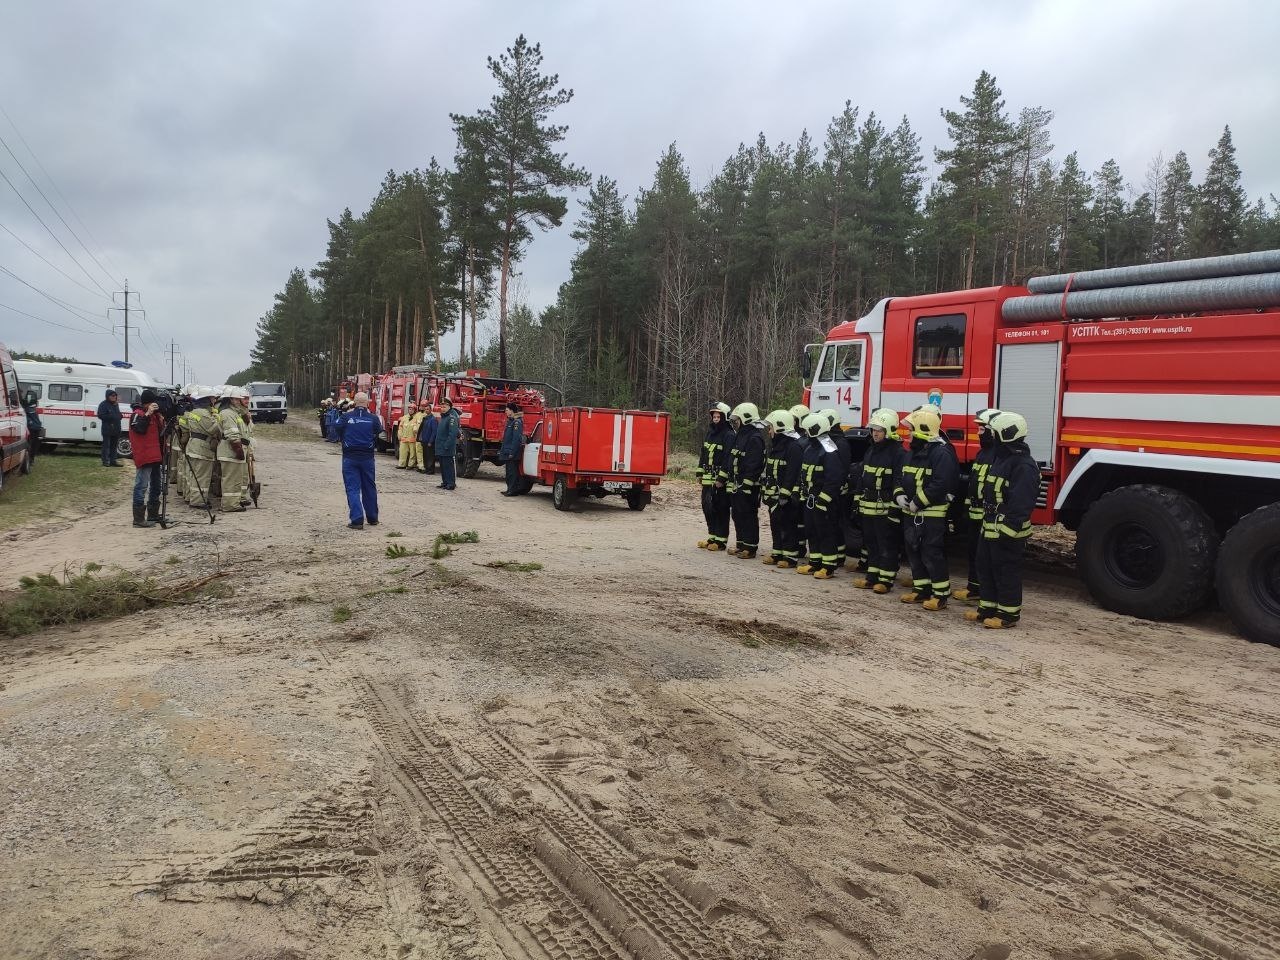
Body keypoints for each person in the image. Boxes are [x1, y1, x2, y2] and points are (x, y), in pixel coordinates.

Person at [968, 411, 1038, 629]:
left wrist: (1008, 530)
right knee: (985, 566)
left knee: (1005, 570)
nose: (991, 437)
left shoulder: (1023, 466)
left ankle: (1007, 614)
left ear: (1006, 435)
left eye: (994, 433)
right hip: (990, 526)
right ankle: (987, 608)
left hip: (1008, 531)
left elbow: (1021, 503)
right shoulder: (1001, 459)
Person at [895, 406, 959, 610]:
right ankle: (921, 590)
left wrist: (918, 501)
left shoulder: (941, 453)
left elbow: (941, 483)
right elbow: (899, 476)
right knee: (913, 551)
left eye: (912, 429)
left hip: (931, 515)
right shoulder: (911, 453)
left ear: (923, 430)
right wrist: (899, 495)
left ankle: (940, 596)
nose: (909, 433)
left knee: (932, 553)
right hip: (910, 513)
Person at [852, 408, 907, 593]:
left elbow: (899, 482)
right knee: (871, 543)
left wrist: (894, 510)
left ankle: (886, 580)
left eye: (879, 429)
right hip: (868, 508)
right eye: (873, 429)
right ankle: (872, 577)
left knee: (887, 545)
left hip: (885, 510)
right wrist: (857, 501)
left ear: (889, 430)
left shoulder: (898, 453)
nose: (875, 433)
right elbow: (862, 477)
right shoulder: (871, 451)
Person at [953, 409, 1000, 604]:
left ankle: (988, 593)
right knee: (973, 552)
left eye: (982, 429)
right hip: (974, 514)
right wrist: (965, 510)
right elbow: (974, 484)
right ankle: (974, 588)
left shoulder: (999, 456)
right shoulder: (982, 454)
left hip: (989, 518)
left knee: (987, 557)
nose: (978, 433)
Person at [795, 412, 844, 578]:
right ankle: (814, 563)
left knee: (826, 532)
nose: (805, 433)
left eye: (808, 430)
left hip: (824, 501)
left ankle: (828, 566)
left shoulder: (829, 450)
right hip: (810, 499)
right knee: (811, 531)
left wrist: (823, 501)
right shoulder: (811, 447)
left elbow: (834, 480)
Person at [761, 410, 803, 567]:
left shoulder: (794, 447)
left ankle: (790, 557)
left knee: (787, 525)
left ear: (779, 427)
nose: (769, 431)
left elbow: (793, 473)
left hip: (787, 497)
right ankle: (777, 553)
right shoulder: (775, 446)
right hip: (774, 495)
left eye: (771, 428)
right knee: (775, 523)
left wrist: (785, 494)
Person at [336, 391, 382, 528]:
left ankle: (357, 520)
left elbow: (337, 427)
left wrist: (346, 437)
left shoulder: (346, 417)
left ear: (354, 403)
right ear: (368, 403)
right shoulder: (373, 418)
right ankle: (373, 518)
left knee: (353, 488)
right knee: (369, 487)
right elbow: (378, 431)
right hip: (367, 458)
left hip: (350, 457)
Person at [725, 403, 765, 558]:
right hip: (737, 483)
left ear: (746, 419)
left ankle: (750, 547)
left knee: (748, 515)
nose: (735, 423)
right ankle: (741, 544)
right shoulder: (740, 435)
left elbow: (754, 464)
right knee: (737, 514)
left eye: (737, 420)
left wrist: (746, 484)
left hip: (748, 486)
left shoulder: (754, 438)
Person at [695, 402, 734, 551]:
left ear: (724, 418)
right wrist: (699, 472)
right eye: (714, 416)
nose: (716, 418)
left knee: (721, 509)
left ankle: (721, 541)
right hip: (707, 478)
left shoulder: (729, 435)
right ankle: (712, 536)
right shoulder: (710, 433)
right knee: (708, 507)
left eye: (718, 416)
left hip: (719, 481)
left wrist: (721, 479)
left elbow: (728, 458)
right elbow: (703, 453)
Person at [128, 389, 166, 527]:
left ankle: (153, 515)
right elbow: (139, 429)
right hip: (144, 456)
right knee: (141, 486)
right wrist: (148, 413)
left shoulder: (155, 416)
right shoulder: (137, 414)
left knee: (156, 486)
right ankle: (138, 519)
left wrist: (161, 419)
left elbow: (160, 434)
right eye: (153, 402)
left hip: (155, 455)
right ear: (147, 403)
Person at [183, 386, 219, 509]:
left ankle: (191, 497)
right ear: (208, 399)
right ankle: (198, 501)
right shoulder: (204, 413)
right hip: (202, 448)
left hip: (194, 445)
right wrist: (217, 419)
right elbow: (212, 429)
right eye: (213, 398)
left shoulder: (195, 411)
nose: (215, 400)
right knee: (202, 476)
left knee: (194, 475)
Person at [215, 387, 249, 513]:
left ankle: (233, 503)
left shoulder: (235, 413)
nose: (242, 401)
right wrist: (238, 449)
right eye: (239, 399)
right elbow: (232, 434)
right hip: (230, 451)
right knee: (230, 479)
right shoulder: (228, 413)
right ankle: (229, 505)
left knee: (236, 479)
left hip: (233, 451)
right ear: (232, 400)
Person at [498, 402, 525, 496]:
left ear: (511, 411)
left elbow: (516, 439)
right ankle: (509, 489)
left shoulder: (517, 422)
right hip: (507, 450)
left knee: (512, 472)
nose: (505, 411)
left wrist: (512, 452)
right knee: (508, 472)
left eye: (507, 410)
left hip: (512, 452)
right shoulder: (511, 421)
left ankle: (512, 490)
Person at [434, 398, 460, 490]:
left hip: (447, 448)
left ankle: (451, 483)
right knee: (443, 466)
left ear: (449, 407)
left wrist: (446, 445)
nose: (443, 408)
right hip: (441, 447)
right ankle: (445, 482)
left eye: (445, 407)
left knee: (448, 466)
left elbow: (452, 434)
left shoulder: (451, 418)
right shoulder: (443, 418)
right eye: (441, 407)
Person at [97, 389, 124, 466]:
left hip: (116, 429)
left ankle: (113, 461)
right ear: (108, 396)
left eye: (115, 396)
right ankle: (105, 461)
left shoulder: (116, 404)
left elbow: (117, 414)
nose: (114, 397)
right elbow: (100, 415)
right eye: (112, 396)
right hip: (107, 429)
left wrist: (120, 416)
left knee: (114, 446)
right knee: (106, 446)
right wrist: (111, 416)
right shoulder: (103, 404)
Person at [396, 402, 426, 471]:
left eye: (412, 409)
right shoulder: (404, 417)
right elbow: (400, 427)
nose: (410, 410)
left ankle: (411, 465)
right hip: (404, 438)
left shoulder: (416, 417)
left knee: (412, 453)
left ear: (415, 410)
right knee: (402, 452)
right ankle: (401, 464)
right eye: (409, 409)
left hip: (412, 439)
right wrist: (399, 434)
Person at [21, 390, 41, 465]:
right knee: (31, 444)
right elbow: (26, 418)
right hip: (31, 428)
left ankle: (31, 459)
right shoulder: (26, 408)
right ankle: (29, 459)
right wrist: (30, 423)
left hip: (35, 427)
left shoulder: (30, 407)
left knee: (34, 444)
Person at [418, 405, 438, 474]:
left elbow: (434, 431)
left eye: (428, 409)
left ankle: (431, 470)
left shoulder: (433, 419)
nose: (426, 410)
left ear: (431, 410)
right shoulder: (425, 418)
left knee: (430, 456)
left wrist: (431, 441)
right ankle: (426, 468)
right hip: (424, 440)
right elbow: (421, 430)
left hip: (429, 442)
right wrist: (420, 439)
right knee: (425, 456)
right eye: (425, 409)